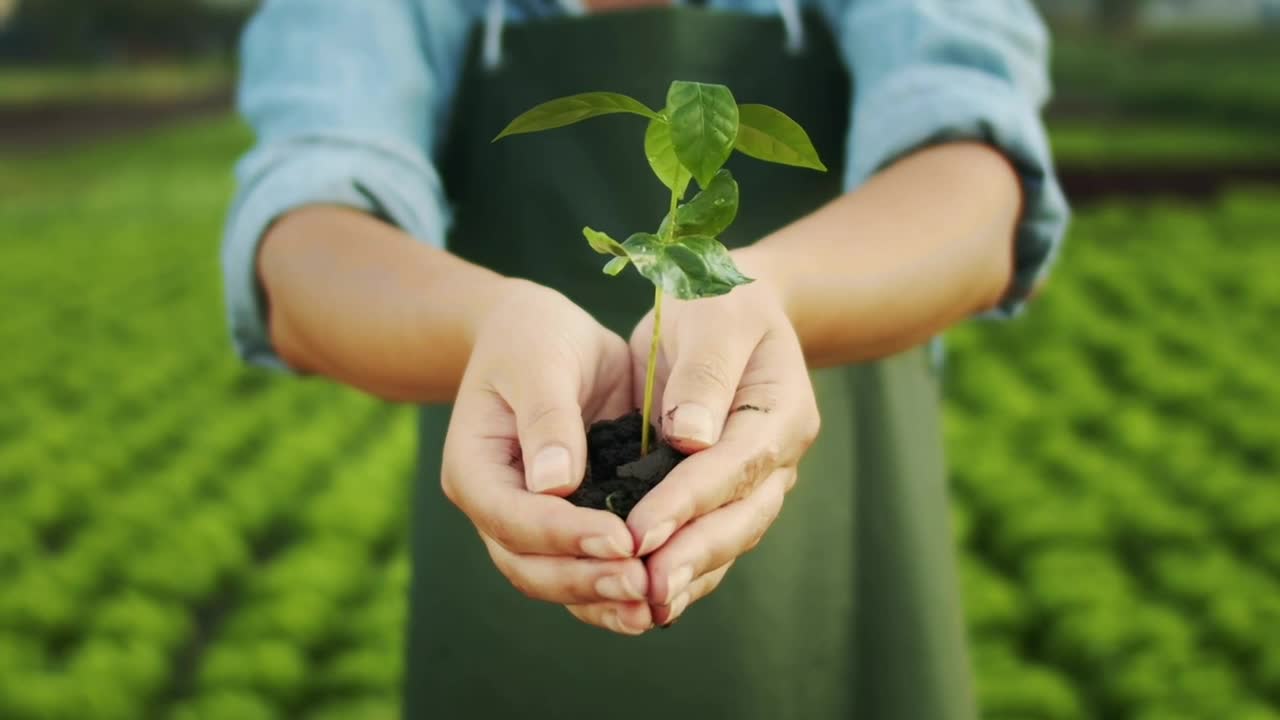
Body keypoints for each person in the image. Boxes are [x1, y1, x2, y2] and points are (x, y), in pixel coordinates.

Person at [222, 0, 1068, 717]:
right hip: (530, 505)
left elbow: (977, 180)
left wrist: (766, 289)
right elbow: (307, 224)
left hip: (842, 522)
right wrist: (489, 322)